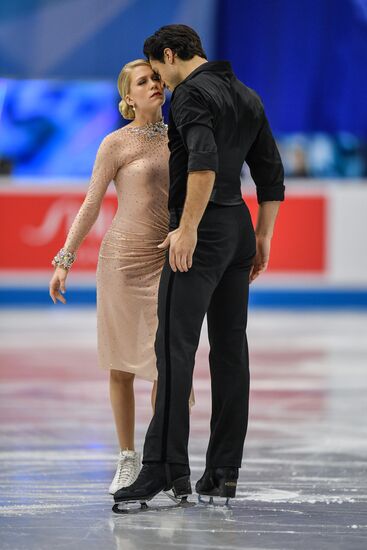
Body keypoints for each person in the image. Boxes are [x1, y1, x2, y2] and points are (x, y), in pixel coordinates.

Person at [114, 24, 285, 507]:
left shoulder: (189, 95)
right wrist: (262, 237)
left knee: (174, 349)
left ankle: (162, 469)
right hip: (238, 231)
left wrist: (187, 228)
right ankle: (223, 472)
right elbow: (271, 173)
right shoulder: (247, 95)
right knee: (231, 351)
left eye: (160, 70)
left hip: (203, 229)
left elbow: (204, 163)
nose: (161, 84)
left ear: (169, 54)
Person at [49, 58, 193, 496]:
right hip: (120, 264)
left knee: (167, 369)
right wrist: (65, 258)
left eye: (155, 78)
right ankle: (129, 459)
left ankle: (161, 457)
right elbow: (92, 203)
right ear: (128, 97)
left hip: (165, 263)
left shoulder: (182, 138)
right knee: (122, 367)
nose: (153, 84)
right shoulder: (114, 143)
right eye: (142, 81)